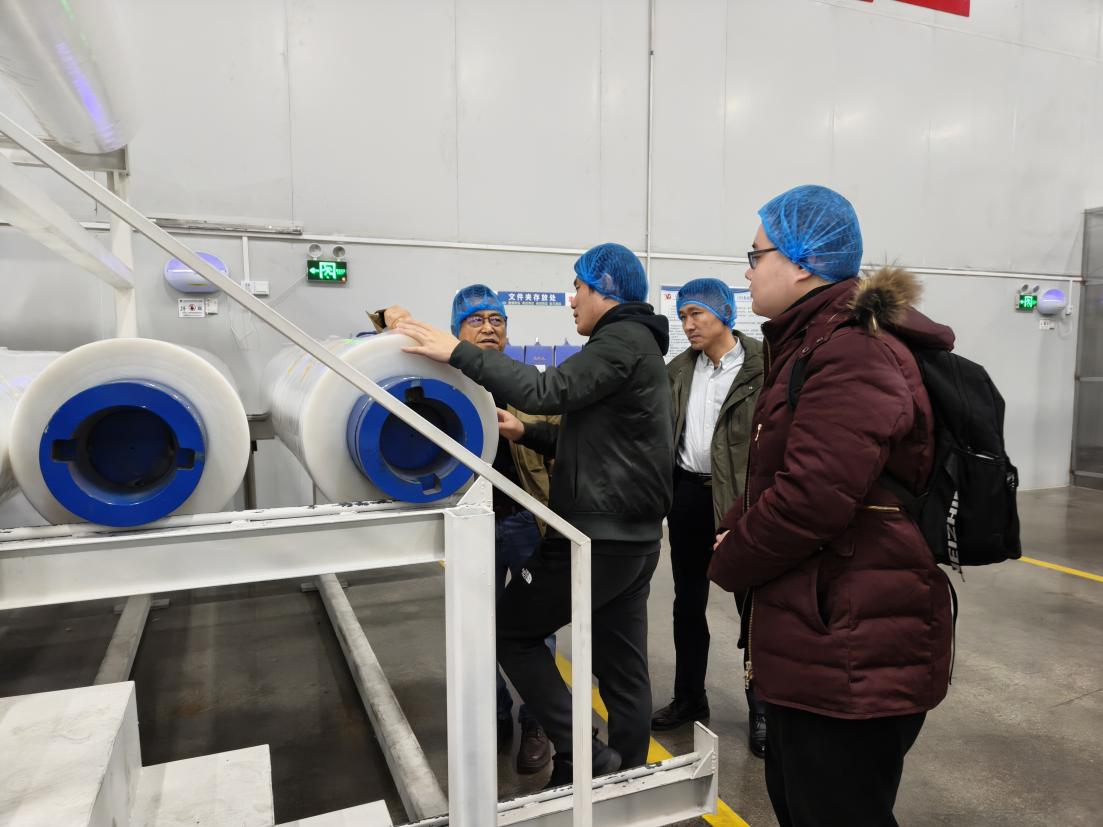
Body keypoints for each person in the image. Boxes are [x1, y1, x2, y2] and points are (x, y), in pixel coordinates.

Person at [707, 185, 954, 827]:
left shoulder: (851, 351)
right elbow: (780, 475)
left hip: (852, 650)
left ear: (801, 262)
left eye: (756, 255)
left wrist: (732, 558)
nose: (747, 271)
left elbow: (812, 498)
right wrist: (737, 523)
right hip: (825, 639)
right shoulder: (810, 343)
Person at [396, 242, 673, 787]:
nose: (572, 299)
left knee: (511, 632)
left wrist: (458, 352)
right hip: (632, 541)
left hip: (596, 537)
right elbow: (595, 439)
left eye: (578, 287)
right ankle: (624, 780)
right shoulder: (637, 345)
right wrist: (528, 432)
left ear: (604, 289)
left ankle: (585, 755)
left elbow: (548, 389)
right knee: (622, 668)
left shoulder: (620, 340)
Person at [370, 286, 557, 775]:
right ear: (456, 330)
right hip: (471, 522)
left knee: (537, 626)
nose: (490, 328)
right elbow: (380, 350)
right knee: (476, 625)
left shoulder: (529, 384)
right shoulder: (442, 377)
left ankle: (537, 722)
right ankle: (493, 714)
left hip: (527, 521)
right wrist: (391, 316)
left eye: (498, 319)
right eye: (477, 320)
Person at [649, 278, 768, 759]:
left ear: (725, 314)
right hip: (688, 497)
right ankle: (689, 698)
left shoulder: (763, 366)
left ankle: (762, 708)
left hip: (741, 500)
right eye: (682, 316)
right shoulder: (679, 369)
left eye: (696, 313)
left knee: (751, 606)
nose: (688, 324)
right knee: (687, 602)